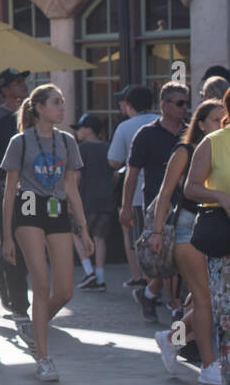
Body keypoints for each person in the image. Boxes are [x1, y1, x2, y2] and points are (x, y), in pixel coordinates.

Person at [0, 84, 91, 382]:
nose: (62, 108)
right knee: (40, 284)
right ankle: (44, 357)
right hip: (27, 208)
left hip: (56, 209)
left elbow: (72, 189)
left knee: (64, 290)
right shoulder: (20, 141)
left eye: (63, 103)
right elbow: (9, 191)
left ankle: (33, 325)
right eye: (56, 103)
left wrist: (85, 231)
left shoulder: (67, 141)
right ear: (39, 108)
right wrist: (7, 236)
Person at [149, 98, 226, 384]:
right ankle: (208, 365)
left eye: (224, 117)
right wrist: (156, 232)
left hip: (215, 230)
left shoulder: (222, 148)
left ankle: (171, 338)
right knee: (205, 300)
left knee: (200, 300)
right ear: (201, 123)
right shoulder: (187, 150)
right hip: (187, 229)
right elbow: (165, 192)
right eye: (216, 119)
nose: (222, 123)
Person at [181, 88, 230, 385]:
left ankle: (172, 339)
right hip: (222, 242)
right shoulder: (214, 143)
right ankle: (174, 340)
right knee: (222, 313)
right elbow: (190, 187)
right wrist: (221, 196)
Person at [125, 82, 189, 322]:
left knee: (177, 258)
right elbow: (131, 175)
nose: (185, 108)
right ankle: (172, 310)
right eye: (180, 103)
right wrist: (126, 207)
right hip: (155, 206)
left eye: (186, 102)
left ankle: (156, 297)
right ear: (165, 105)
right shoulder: (146, 134)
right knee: (165, 258)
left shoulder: (191, 133)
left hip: (185, 206)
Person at [0, 67, 33, 339]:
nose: (23, 86)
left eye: (23, 82)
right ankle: (18, 301)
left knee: (33, 247)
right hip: (6, 190)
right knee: (11, 245)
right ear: (4, 89)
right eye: (17, 83)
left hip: (34, 191)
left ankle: (25, 299)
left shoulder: (31, 116)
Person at [110, 84, 159, 292]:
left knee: (139, 240)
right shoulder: (162, 123)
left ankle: (143, 279)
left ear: (129, 105)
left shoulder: (126, 127)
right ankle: (161, 285)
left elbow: (113, 160)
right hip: (166, 194)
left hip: (139, 195)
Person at [70, 114, 113, 291]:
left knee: (76, 232)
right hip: (106, 199)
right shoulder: (108, 147)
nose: (78, 132)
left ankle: (89, 272)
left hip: (85, 200)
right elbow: (116, 174)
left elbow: (76, 177)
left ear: (88, 129)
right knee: (100, 237)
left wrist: (69, 200)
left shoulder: (81, 149)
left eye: (80, 128)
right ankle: (101, 277)